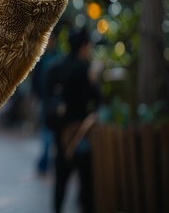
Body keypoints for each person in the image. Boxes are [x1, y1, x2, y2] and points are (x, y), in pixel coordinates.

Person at [50, 28, 100, 213]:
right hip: (82, 134)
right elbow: (97, 100)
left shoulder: (56, 68)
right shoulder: (86, 68)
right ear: (83, 46)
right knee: (86, 185)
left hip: (61, 134)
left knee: (60, 182)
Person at [32, 32, 63, 175]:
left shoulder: (58, 57)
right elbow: (35, 79)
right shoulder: (41, 57)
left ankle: (44, 163)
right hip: (44, 101)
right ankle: (44, 163)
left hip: (54, 101)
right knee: (46, 133)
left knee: (49, 134)